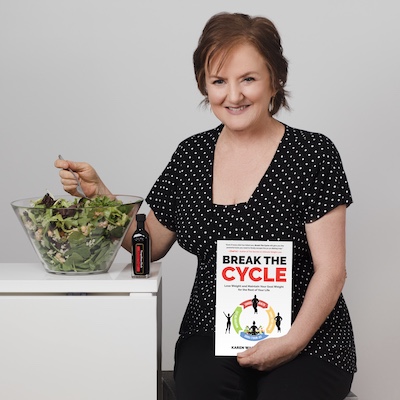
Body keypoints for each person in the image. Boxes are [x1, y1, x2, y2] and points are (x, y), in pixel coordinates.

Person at [55, 12, 356, 400]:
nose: (233, 96)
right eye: (218, 82)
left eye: (248, 78)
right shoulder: (192, 155)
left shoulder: (313, 153)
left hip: (307, 336)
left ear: (275, 80)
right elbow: (148, 242)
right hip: (211, 331)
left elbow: (332, 271)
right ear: (204, 85)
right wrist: (99, 195)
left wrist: (291, 341)